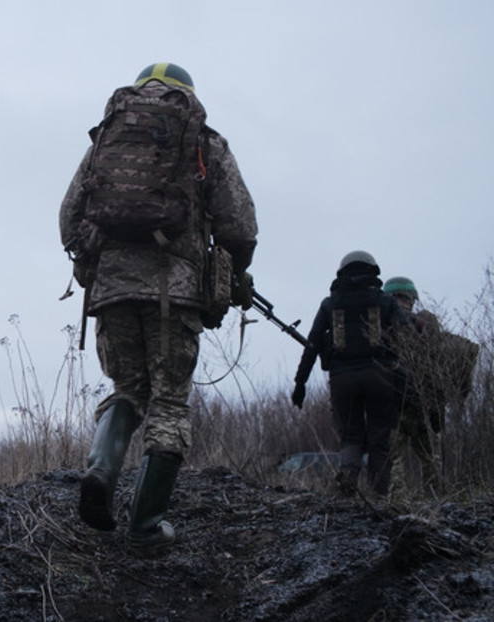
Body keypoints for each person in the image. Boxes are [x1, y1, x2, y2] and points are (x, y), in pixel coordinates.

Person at [60, 62, 257, 552]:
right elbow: (239, 227)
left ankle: (101, 473)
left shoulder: (105, 140)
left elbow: (69, 217)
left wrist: (93, 262)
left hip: (112, 289)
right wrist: (232, 273)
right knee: (169, 402)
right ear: (186, 96)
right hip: (175, 290)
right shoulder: (204, 143)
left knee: (127, 389)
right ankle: (145, 527)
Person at [291, 252, 409, 496]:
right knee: (379, 439)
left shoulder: (329, 304)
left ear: (342, 272)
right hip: (381, 377)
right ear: (372, 271)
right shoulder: (386, 302)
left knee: (351, 437)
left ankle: (347, 486)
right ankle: (378, 497)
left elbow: (312, 346)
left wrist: (300, 384)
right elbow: (408, 341)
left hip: (342, 379)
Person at [384, 276, 479, 497]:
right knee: (430, 461)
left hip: (393, 407)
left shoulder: (384, 330)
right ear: (412, 300)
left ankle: (398, 509)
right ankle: (438, 505)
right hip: (426, 409)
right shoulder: (429, 329)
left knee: (393, 461)